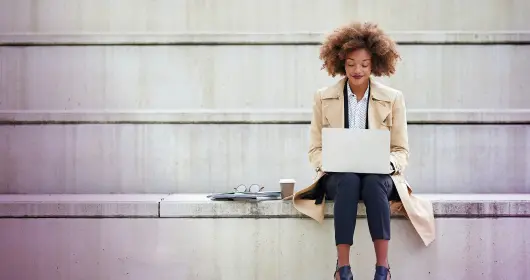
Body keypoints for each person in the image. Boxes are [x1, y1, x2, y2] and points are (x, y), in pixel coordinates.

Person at [290, 22, 436, 280]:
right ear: (340, 63)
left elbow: (401, 149)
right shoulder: (323, 97)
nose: (358, 70)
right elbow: (315, 147)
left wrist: (387, 163)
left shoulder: (393, 98)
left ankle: (383, 268)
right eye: (351, 63)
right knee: (348, 180)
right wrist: (328, 161)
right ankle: (342, 268)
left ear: (375, 64)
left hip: (380, 176)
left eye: (365, 64)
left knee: (373, 181)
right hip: (339, 176)